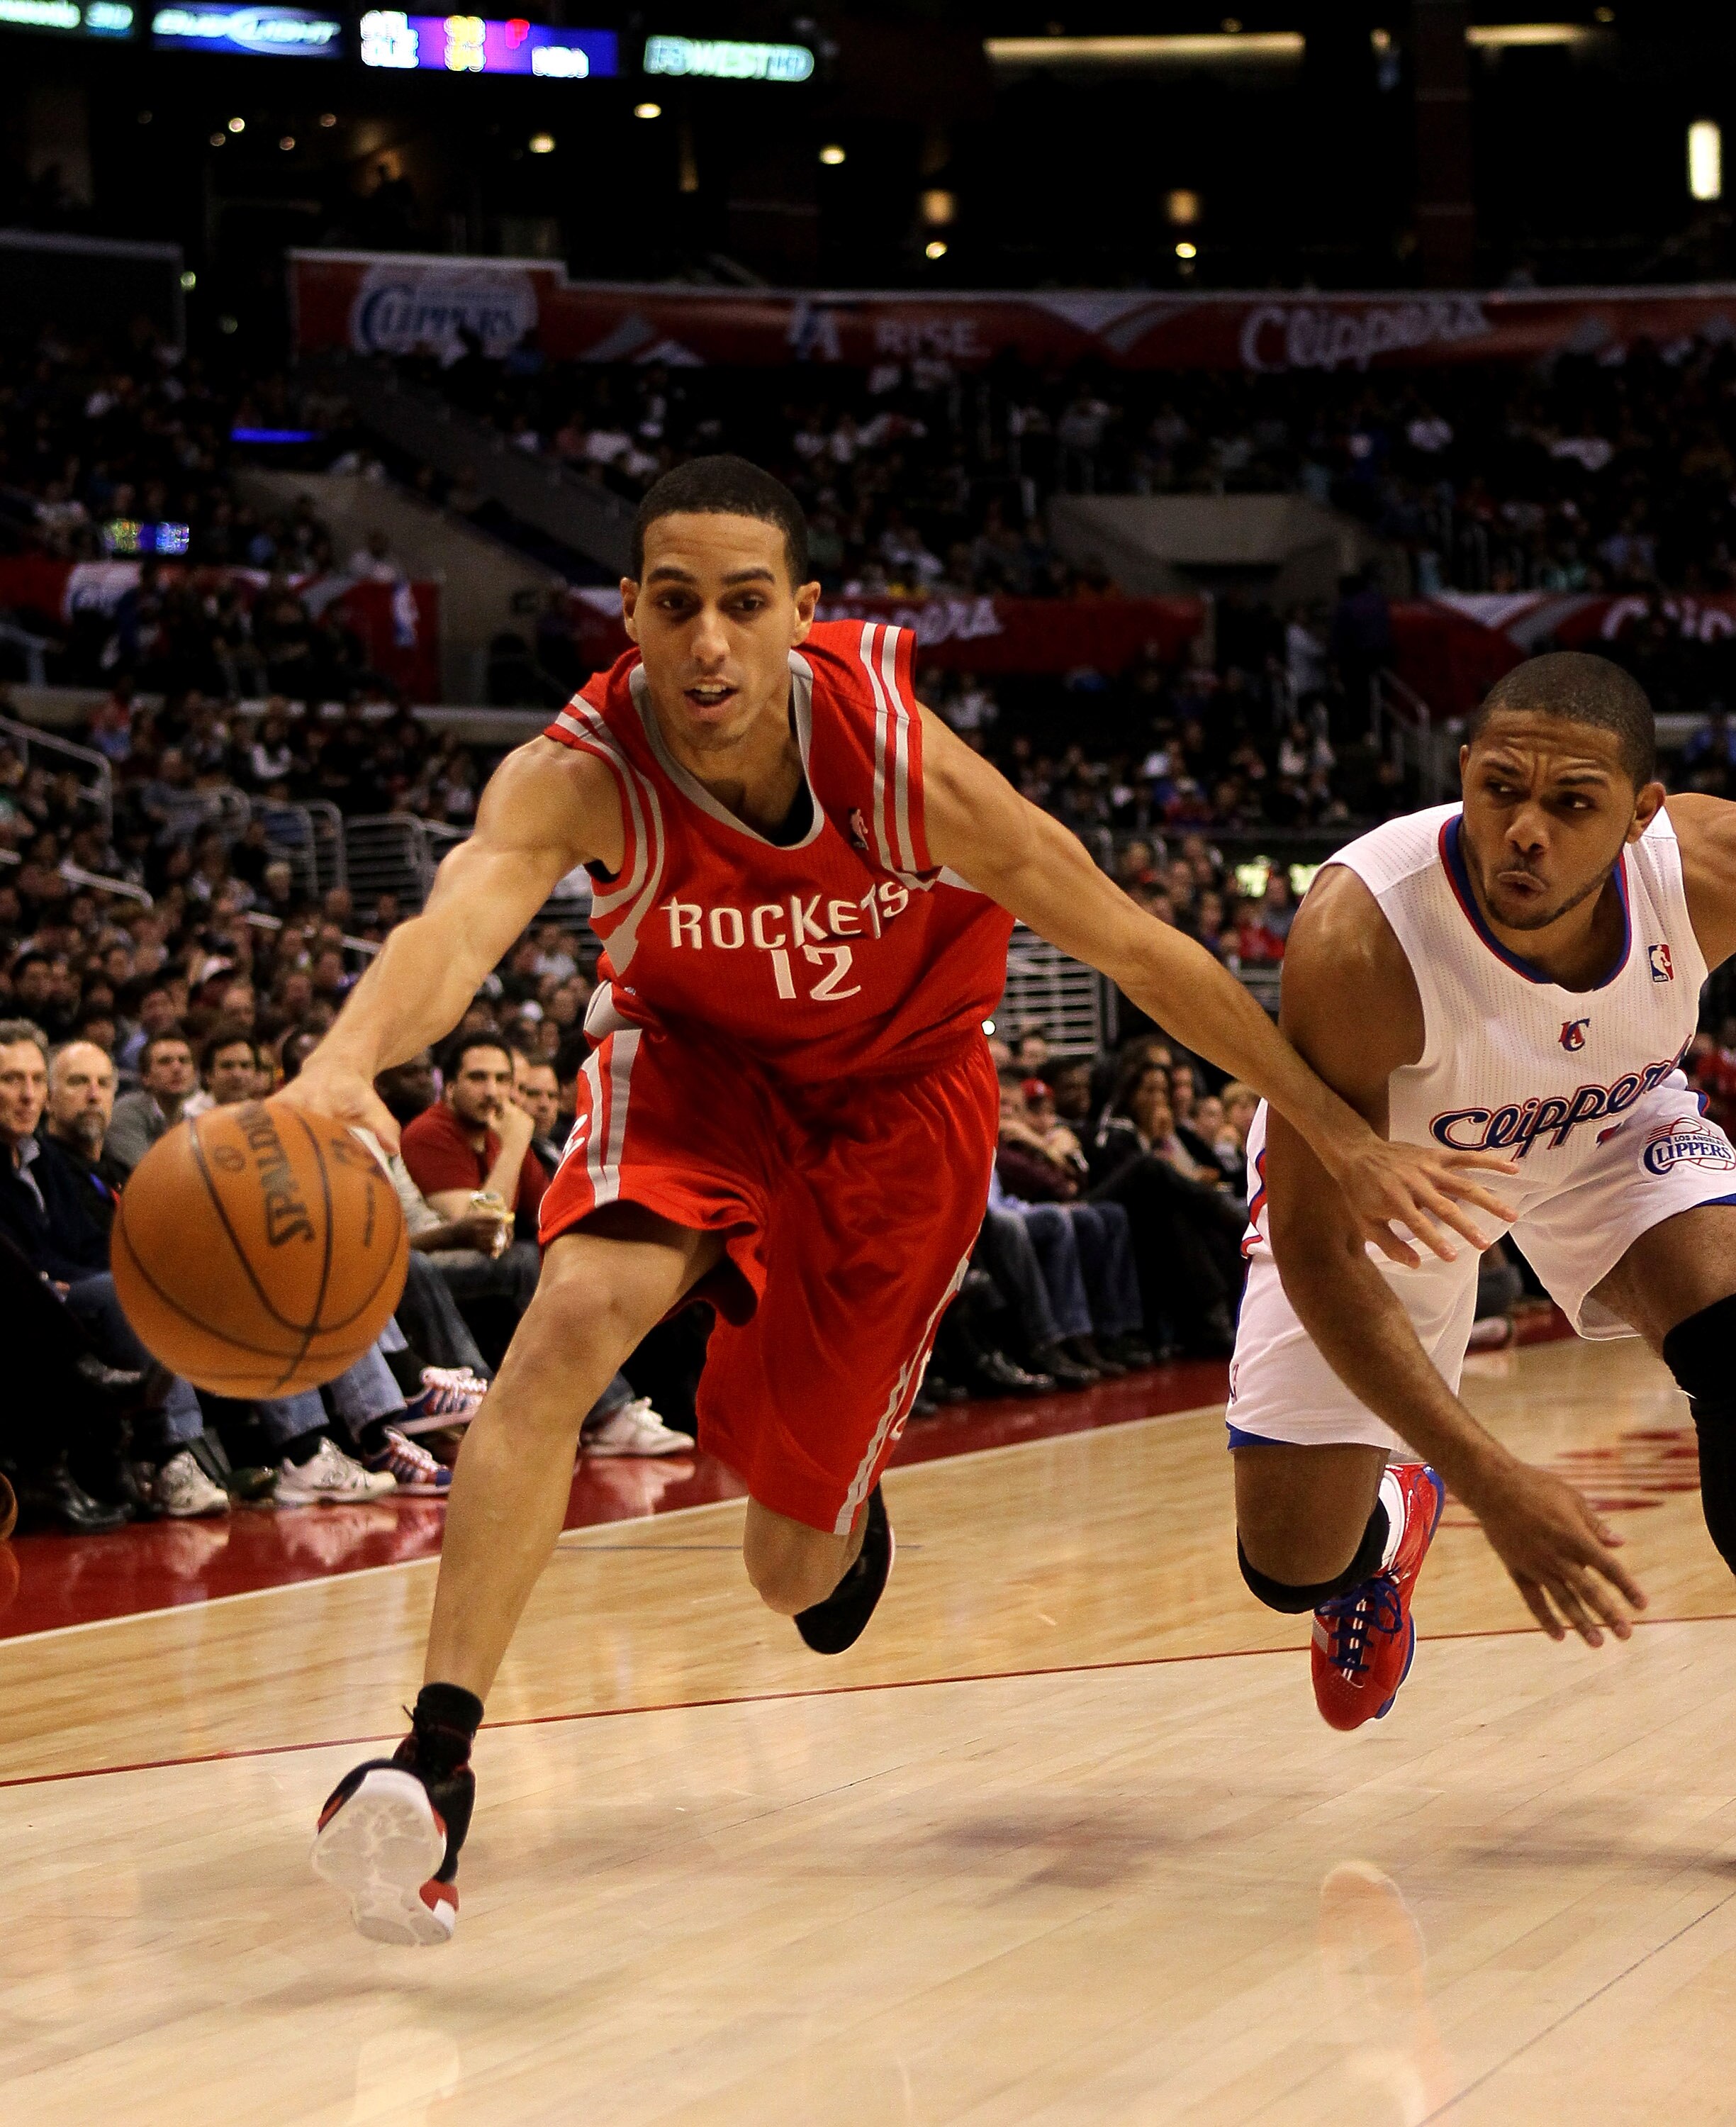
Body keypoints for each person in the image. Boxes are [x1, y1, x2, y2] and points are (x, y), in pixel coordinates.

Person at [296, 454, 1507, 1945]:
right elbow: (458, 918)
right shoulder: (580, 768)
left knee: (792, 1579)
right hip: (696, 1069)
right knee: (566, 1327)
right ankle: (434, 1761)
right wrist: (342, 1061)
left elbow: (1138, 950)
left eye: (746, 606)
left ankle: (837, 1497)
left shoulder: (903, 765)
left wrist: (1333, 1131)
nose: (708, 645)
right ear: (627, 613)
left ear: (804, 613)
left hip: (901, 1109)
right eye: (673, 606)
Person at [1226, 650, 1736, 1735]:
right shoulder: (1361, 939)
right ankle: (1394, 1513)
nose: (1526, 830)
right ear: (1462, 770)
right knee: (1288, 1561)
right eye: (1500, 788)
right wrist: (1490, 1477)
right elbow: (1319, 1250)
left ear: (1641, 812)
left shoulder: (1701, 869)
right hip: (1395, 1183)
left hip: (1612, 1126)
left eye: (1571, 804)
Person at [106, 1028, 196, 1176]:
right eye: (165, 1062)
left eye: (184, 1061)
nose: (177, 1068)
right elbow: (146, 1176)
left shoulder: (193, 1121)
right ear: (146, 1077)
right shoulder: (126, 1113)